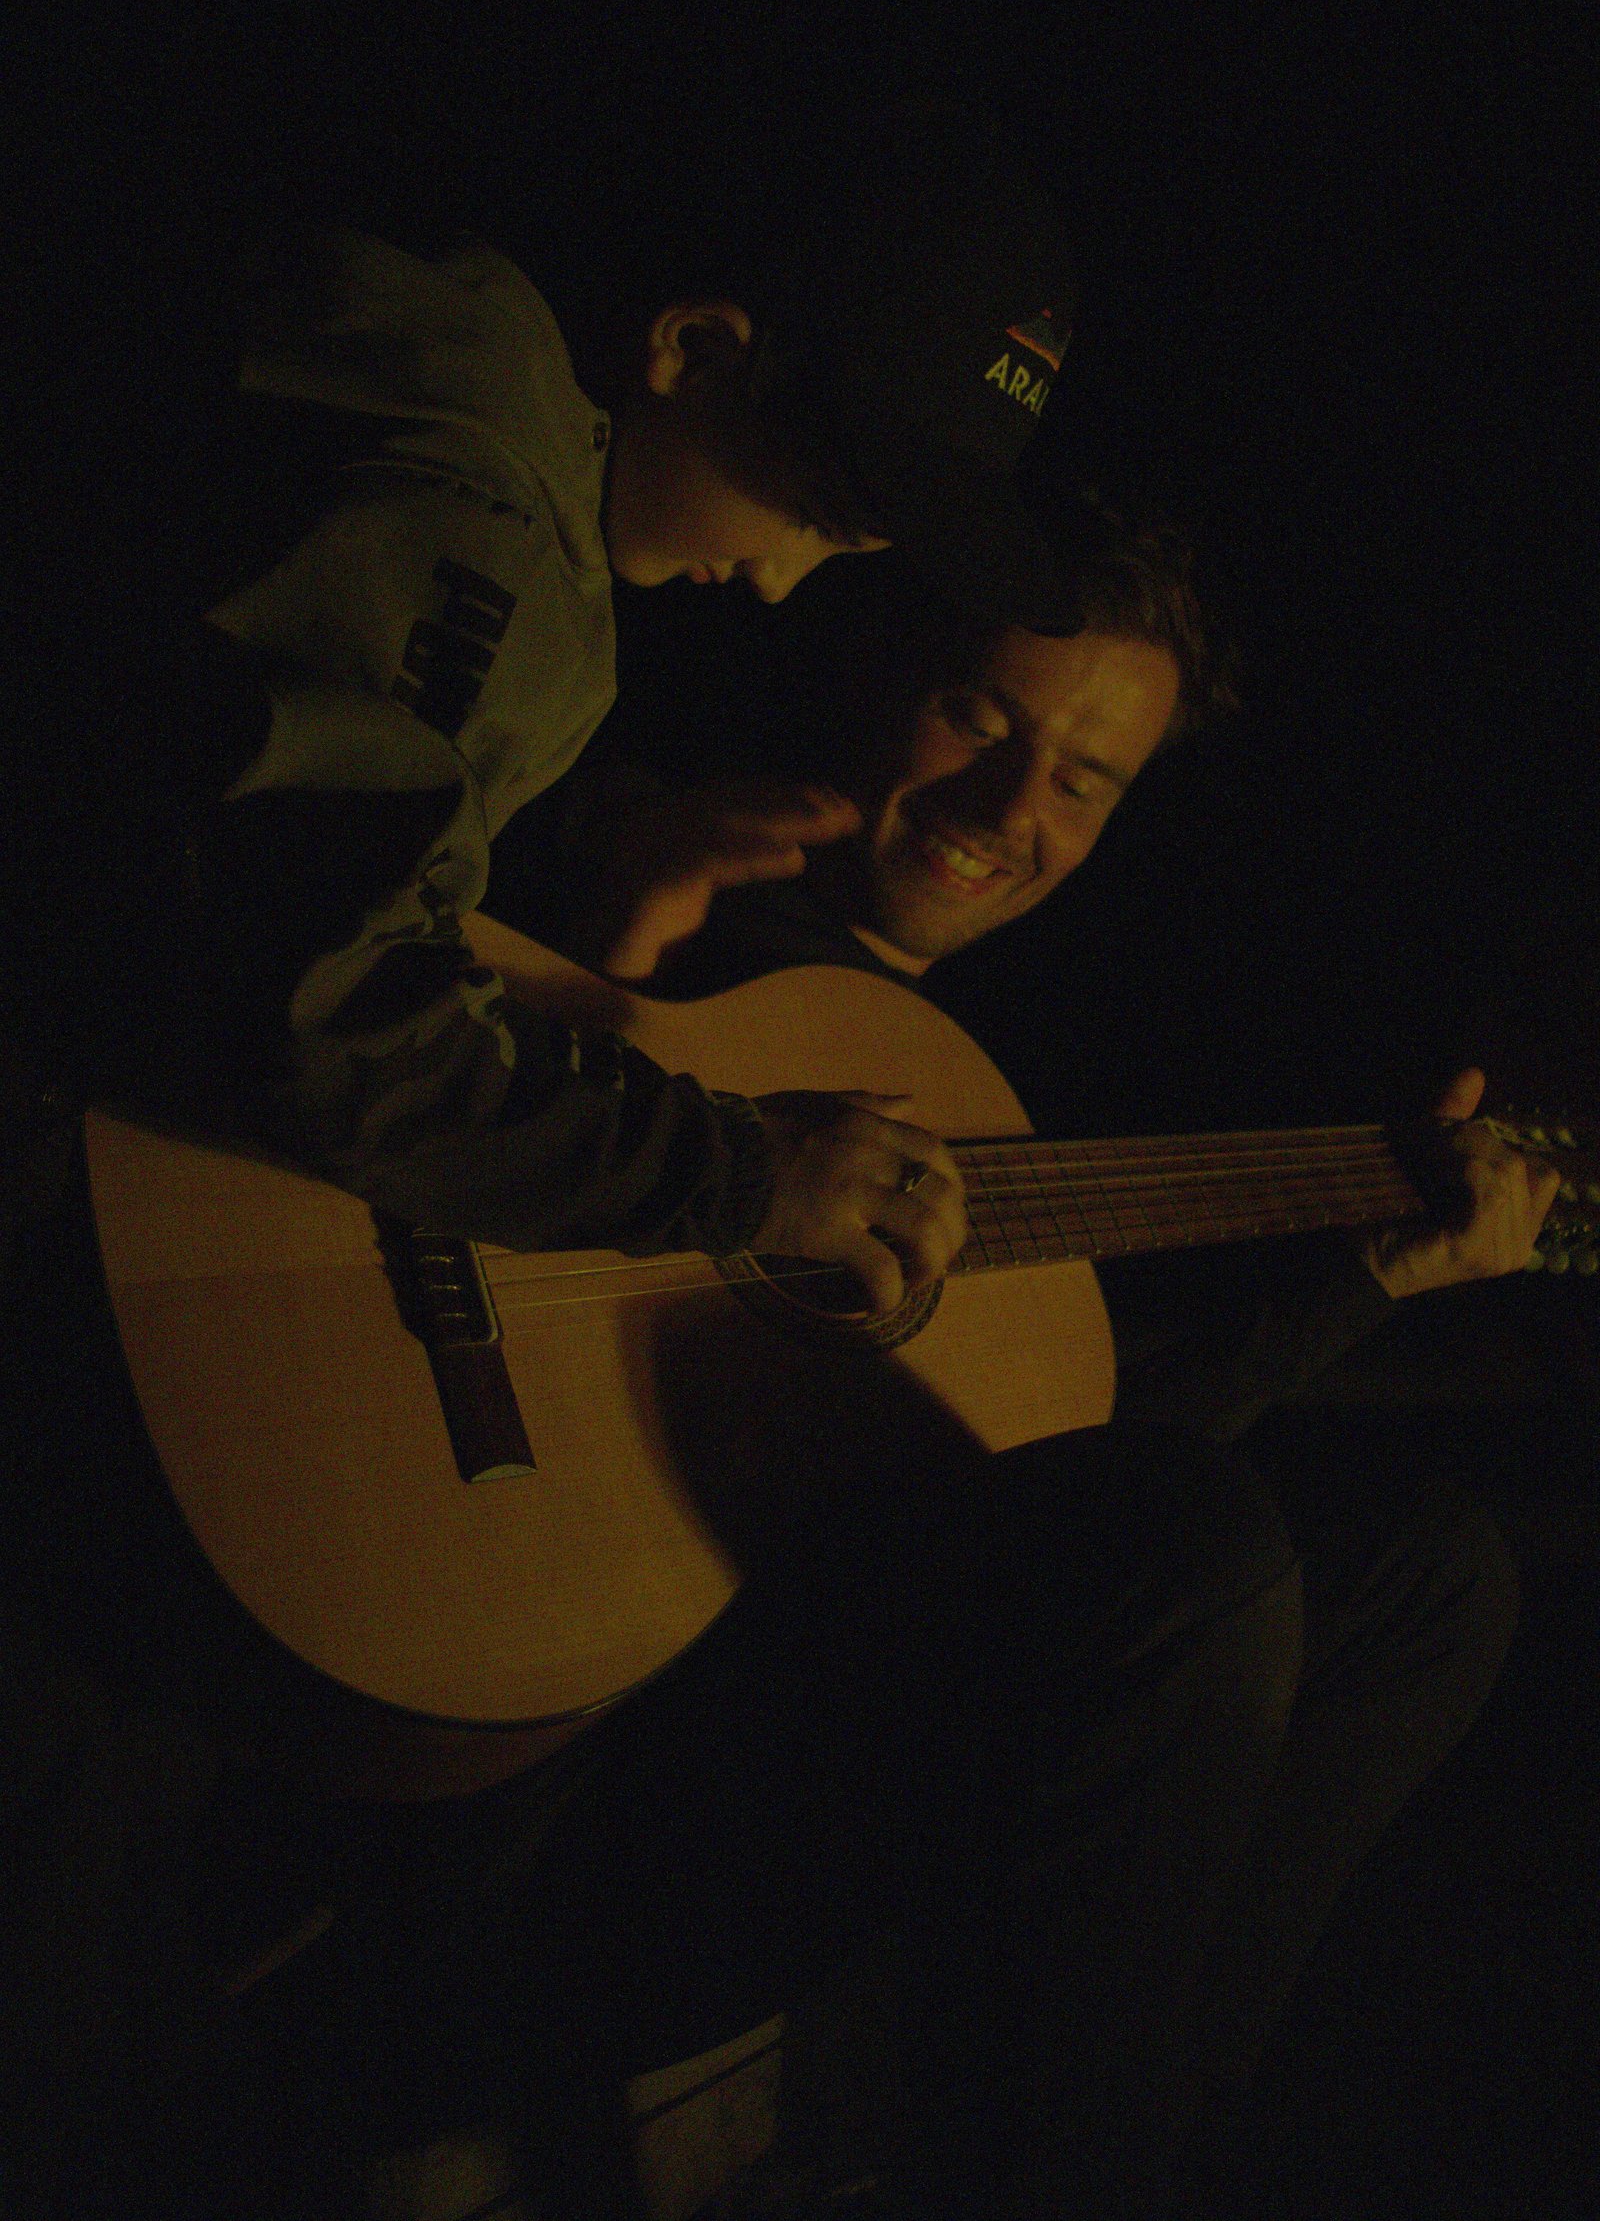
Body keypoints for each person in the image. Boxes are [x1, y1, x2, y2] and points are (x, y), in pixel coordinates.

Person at [0, 113, 1090, 2218]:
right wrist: (737, 1177)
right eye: (822, 502)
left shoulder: (361, 359)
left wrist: (591, 877)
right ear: (693, 344)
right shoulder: (470, 513)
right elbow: (331, 1021)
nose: (796, 573)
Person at [463, 472, 1557, 2219]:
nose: (1012, 809)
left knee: (1428, 1576)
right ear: (874, 663)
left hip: (792, 1693)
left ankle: (1151, 2145)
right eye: (981, 715)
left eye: (1086, 779)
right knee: (1183, 1548)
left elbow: (1038, 1441)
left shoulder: (947, 1074)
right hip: (578, 1734)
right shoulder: (618, 834)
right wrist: (596, 953)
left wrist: (1371, 1269)